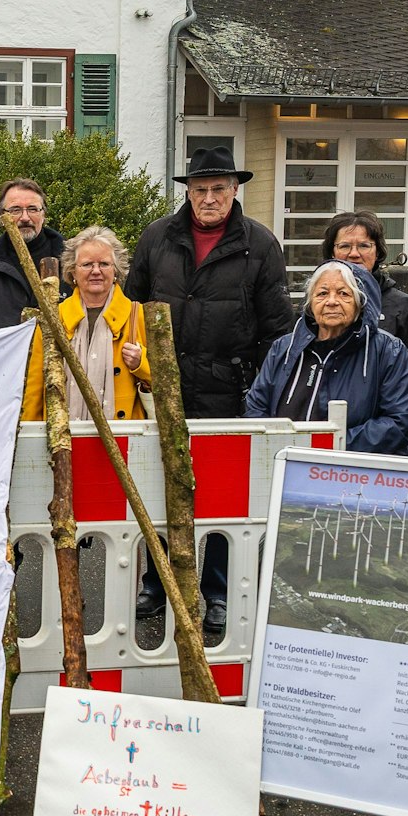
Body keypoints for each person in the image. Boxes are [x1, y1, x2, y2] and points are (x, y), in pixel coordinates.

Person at [124, 146, 296, 635]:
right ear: (187, 192)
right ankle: (157, 583)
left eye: (219, 189)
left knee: (222, 495)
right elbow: (133, 305)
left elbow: (277, 330)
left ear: (235, 190)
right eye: (200, 190)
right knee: (160, 487)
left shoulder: (259, 244)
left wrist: (261, 393)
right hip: (166, 384)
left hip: (231, 388)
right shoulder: (158, 237)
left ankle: (217, 590)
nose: (209, 198)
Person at [244, 259, 408, 453]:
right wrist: (279, 446)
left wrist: (328, 446)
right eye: (322, 293)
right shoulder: (284, 348)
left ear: (360, 303)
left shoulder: (387, 350)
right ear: (310, 304)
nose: (332, 301)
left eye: (343, 293)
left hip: (352, 474)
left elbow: (399, 421)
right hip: (286, 465)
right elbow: (256, 407)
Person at [323, 211, 408, 456]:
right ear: (332, 252)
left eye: (364, 245)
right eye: (345, 245)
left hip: (386, 440)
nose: (354, 253)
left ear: (378, 252)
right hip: (326, 438)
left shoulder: (400, 305)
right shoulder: (316, 303)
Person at [21, 225, 151, 423]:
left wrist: (140, 365)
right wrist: (30, 435)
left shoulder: (138, 315)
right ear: (72, 272)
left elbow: (166, 386)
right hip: (62, 439)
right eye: (87, 264)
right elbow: (34, 387)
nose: (96, 271)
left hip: (125, 439)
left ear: (116, 270)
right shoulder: (54, 318)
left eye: (104, 264)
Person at [0, 179, 66, 330]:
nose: (25, 218)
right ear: (2, 217)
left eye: (33, 209)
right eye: (15, 210)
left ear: (44, 215)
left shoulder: (72, 264)